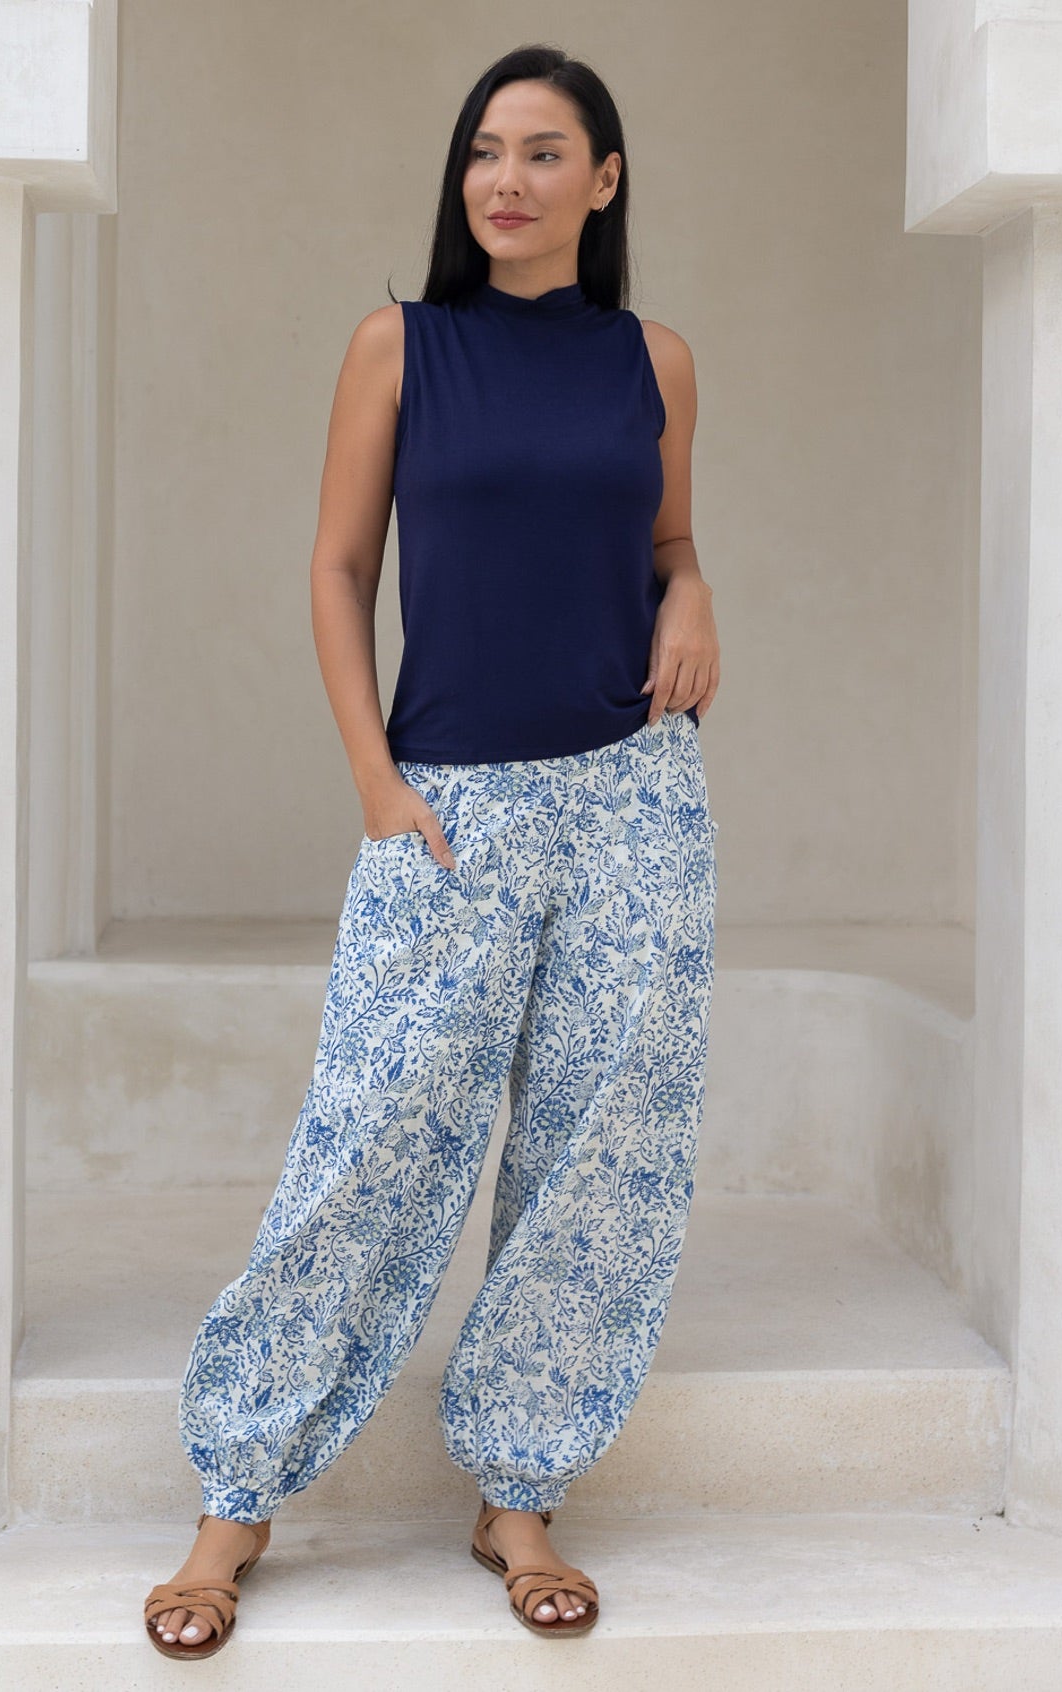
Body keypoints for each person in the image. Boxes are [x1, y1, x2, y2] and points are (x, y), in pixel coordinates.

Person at [144, 41, 720, 1659]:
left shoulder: (657, 360)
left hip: (634, 799)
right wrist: (378, 785)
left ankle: (519, 1494)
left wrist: (694, 591)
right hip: (452, 796)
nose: (508, 180)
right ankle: (234, 1501)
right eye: (486, 151)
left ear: (603, 183)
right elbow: (336, 572)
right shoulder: (399, 346)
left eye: (546, 153)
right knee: (373, 1144)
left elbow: (666, 538)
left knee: (599, 1161)